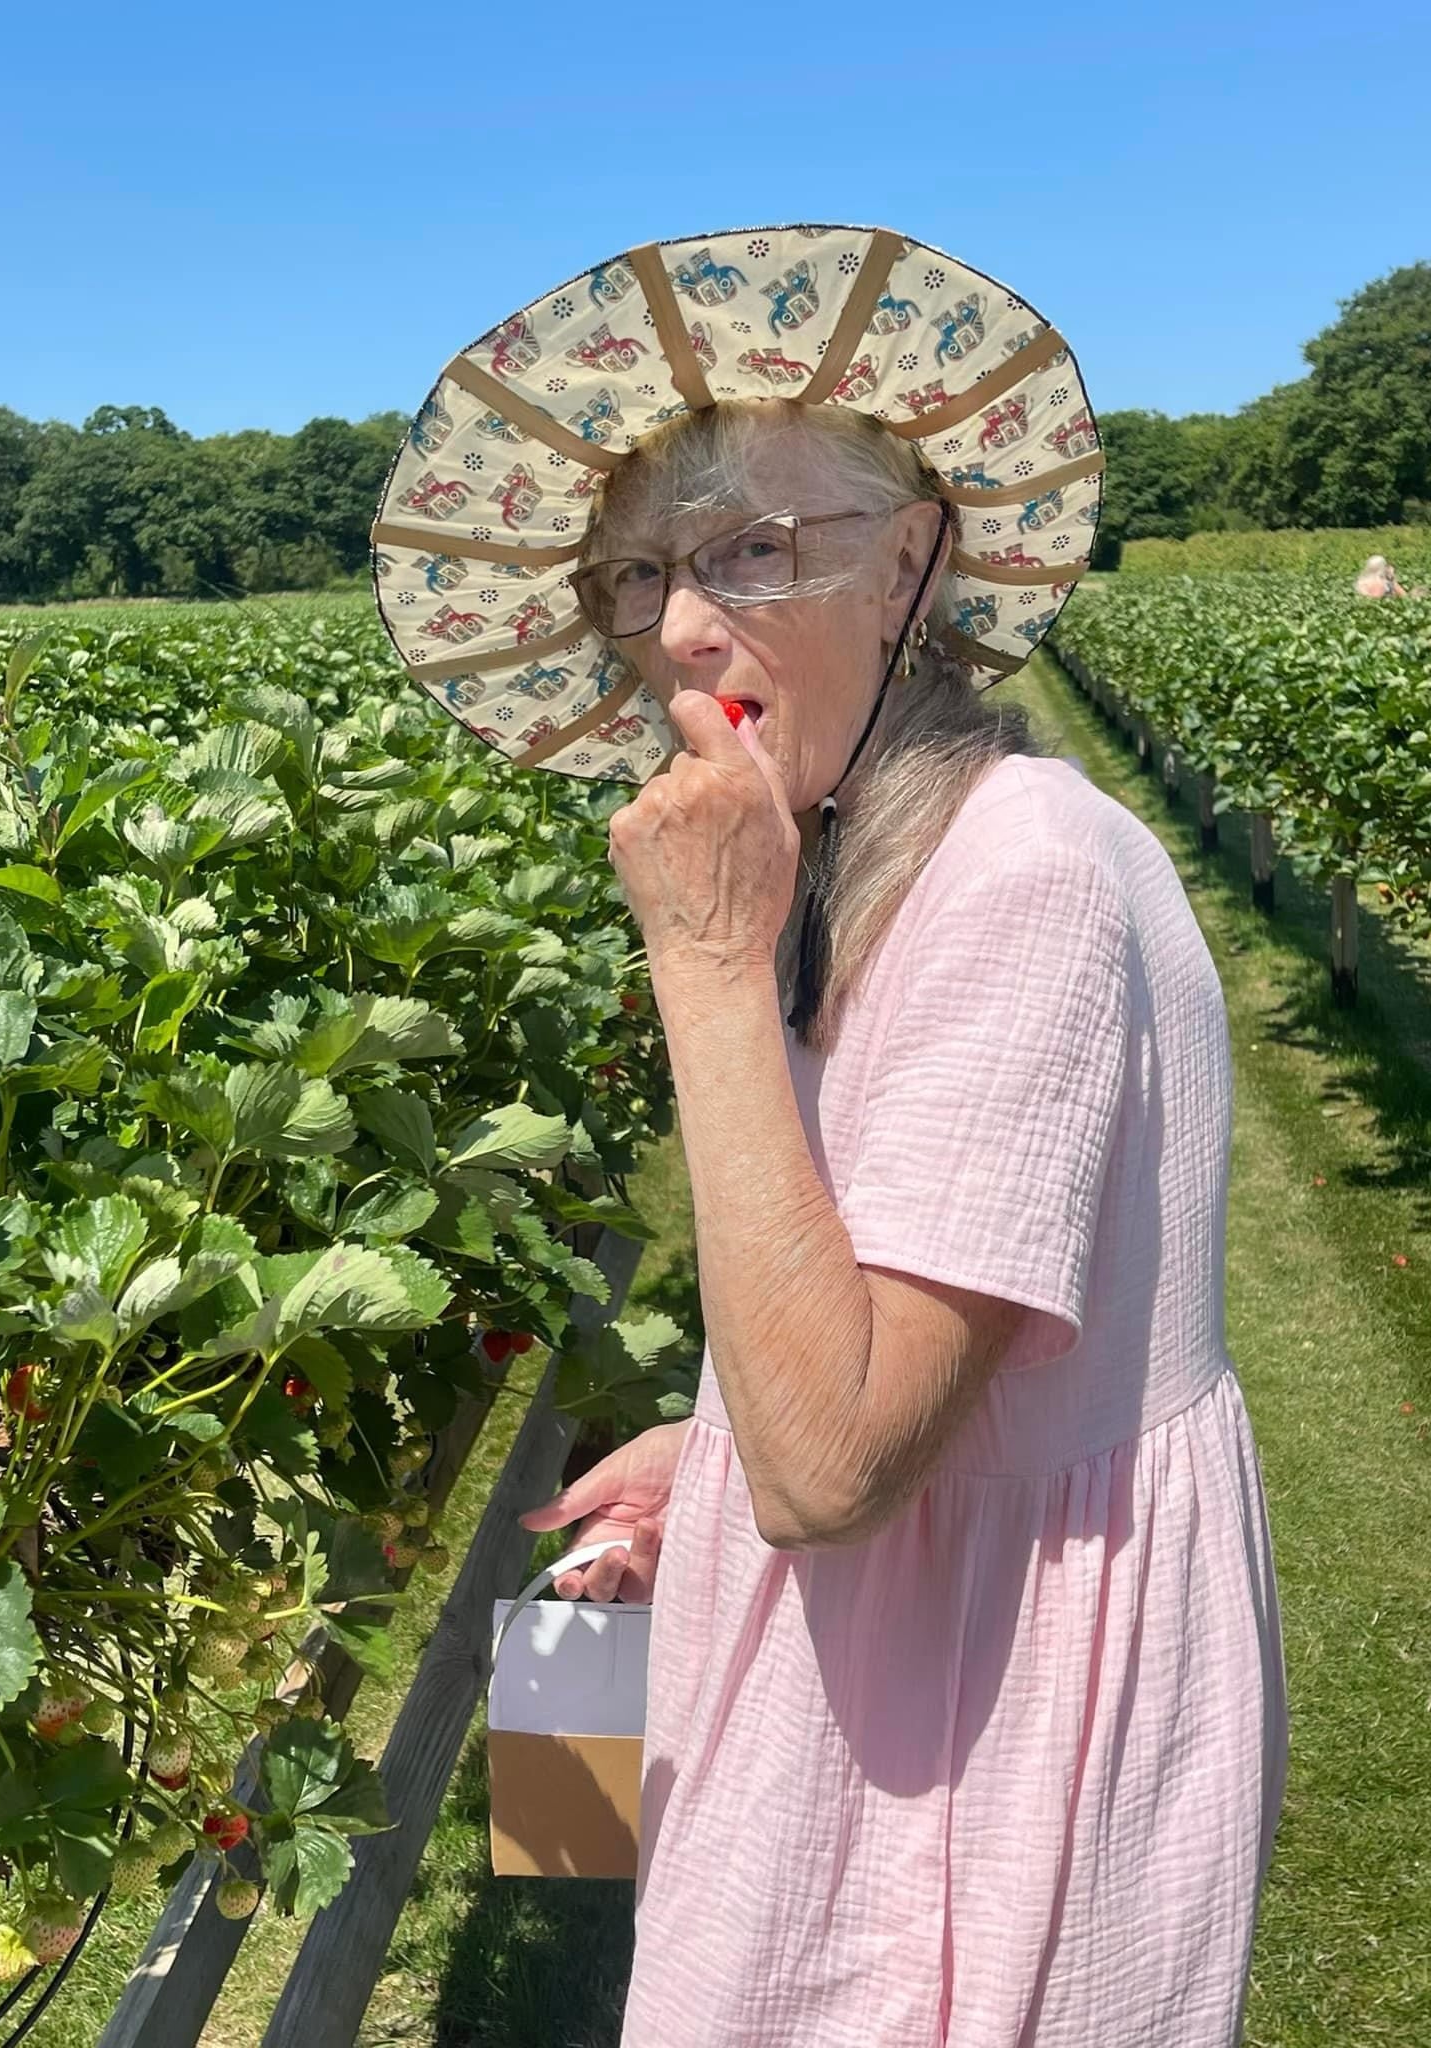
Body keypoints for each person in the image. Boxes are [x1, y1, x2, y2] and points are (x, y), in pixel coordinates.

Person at [373, 223, 1290, 2048]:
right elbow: (869, 1354)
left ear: (917, 565)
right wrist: (701, 1448)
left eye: (751, 550)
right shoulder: (877, 850)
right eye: (637, 577)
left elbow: (836, 1467)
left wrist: (706, 969)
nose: (684, 631)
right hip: (912, 1642)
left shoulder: (1015, 880)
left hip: (975, 1721)